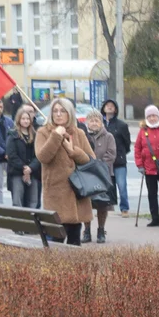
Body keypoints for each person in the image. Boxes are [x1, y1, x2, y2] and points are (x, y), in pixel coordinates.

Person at [36, 98, 95, 245]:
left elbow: (91, 160)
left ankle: (74, 268)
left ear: (69, 114)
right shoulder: (43, 132)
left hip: (77, 194)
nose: (58, 114)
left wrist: (73, 151)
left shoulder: (79, 133)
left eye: (62, 111)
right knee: (55, 240)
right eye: (55, 111)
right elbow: (43, 157)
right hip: (56, 194)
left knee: (75, 239)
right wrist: (55, 136)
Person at [83, 109, 116, 244]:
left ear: (101, 123)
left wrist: (99, 166)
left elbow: (111, 154)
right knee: (86, 204)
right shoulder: (83, 136)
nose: (94, 123)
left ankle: (101, 230)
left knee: (102, 205)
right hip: (86, 175)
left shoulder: (108, 137)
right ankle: (86, 231)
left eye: (97, 120)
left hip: (104, 175)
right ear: (87, 123)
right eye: (91, 120)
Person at [6, 105, 41, 210]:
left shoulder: (35, 135)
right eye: (23, 119)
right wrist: (24, 168)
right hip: (17, 172)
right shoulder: (13, 135)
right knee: (18, 201)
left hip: (33, 172)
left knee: (33, 200)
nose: (26, 121)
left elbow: (38, 154)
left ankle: (32, 223)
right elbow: (11, 155)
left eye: (27, 119)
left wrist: (30, 168)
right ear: (18, 120)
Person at [101, 98, 132, 216]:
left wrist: (121, 154)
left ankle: (124, 208)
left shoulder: (122, 125)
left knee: (122, 185)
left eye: (112, 106)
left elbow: (127, 143)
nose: (109, 107)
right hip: (104, 161)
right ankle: (107, 207)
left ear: (115, 109)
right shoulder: (100, 124)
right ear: (103, 108)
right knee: (107, 186)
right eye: (107, 105)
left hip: (119, 161)